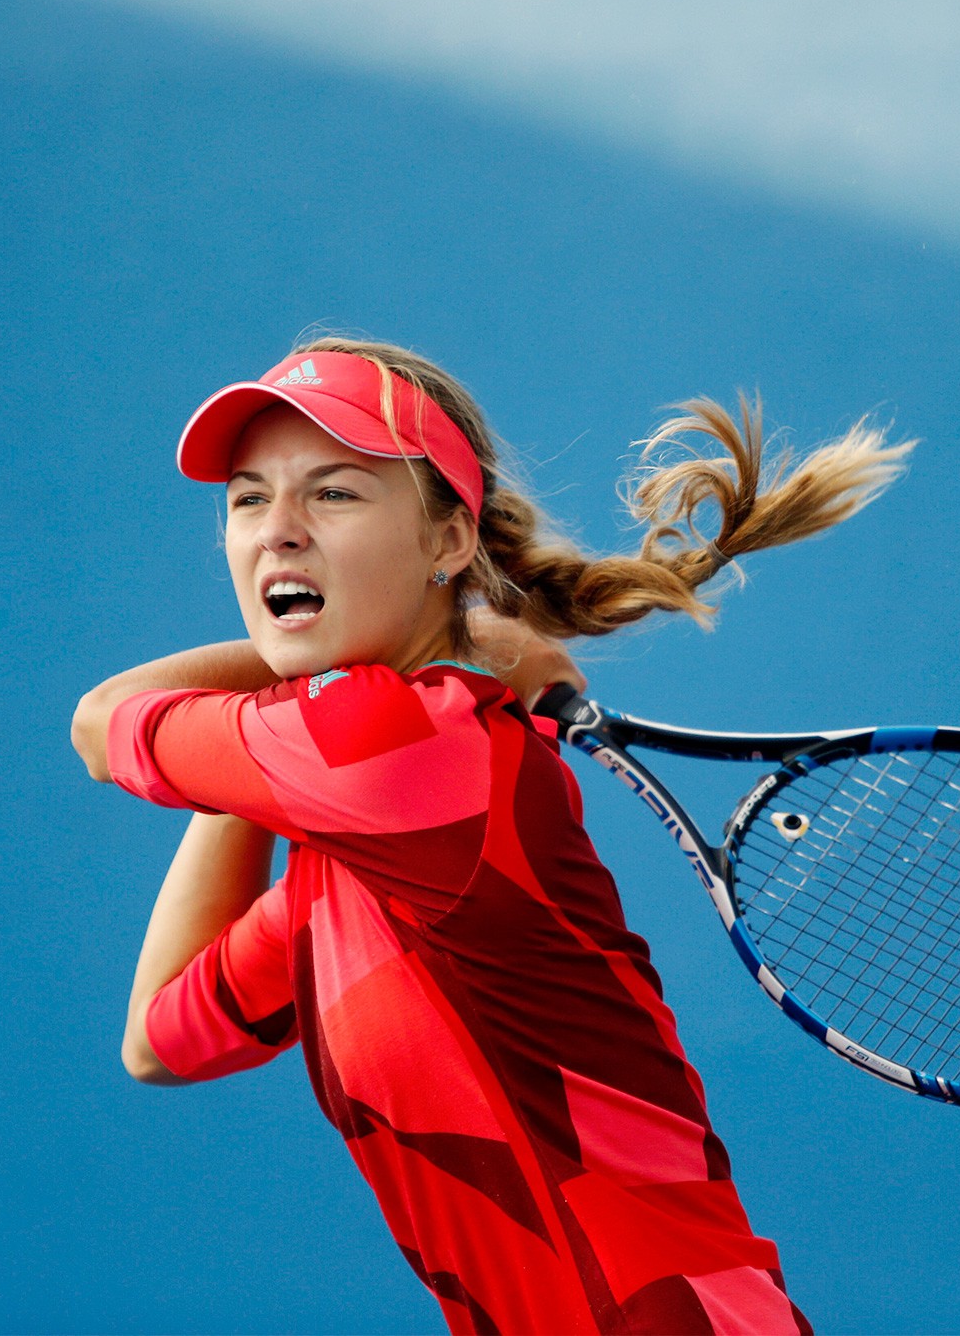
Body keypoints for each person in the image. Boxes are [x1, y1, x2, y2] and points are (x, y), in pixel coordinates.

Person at [71, 338, 910, 1334]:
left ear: (447, 542)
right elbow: (163, 1037)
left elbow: (102, 720)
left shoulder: (411, 748)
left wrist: (304, 692)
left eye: (333, 493)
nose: (276, 533)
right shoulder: (342, 867)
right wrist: (275, 743)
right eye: (249, 498)